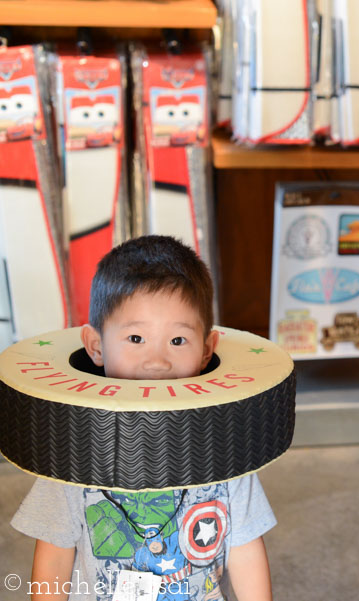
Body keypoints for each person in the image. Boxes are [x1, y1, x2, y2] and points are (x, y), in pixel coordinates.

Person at [12, 235, 275, 601]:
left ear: (207, 350)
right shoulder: (72, 453)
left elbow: (245, 551)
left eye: (178, 341)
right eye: (136, 338)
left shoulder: (225, 452)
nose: (157, 362)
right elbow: (55, 556)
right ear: (96, 346)